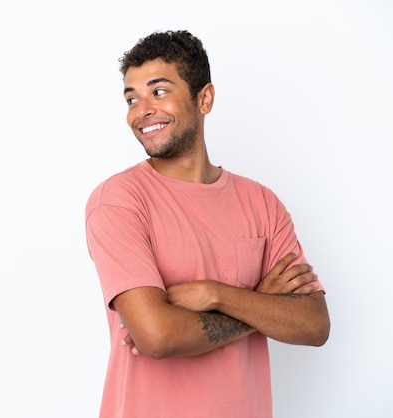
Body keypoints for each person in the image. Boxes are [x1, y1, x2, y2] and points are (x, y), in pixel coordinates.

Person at [84, 30, 330, 418]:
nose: (141, 110)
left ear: (205, 98)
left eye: (158, 91)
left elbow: (314, 324)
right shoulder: (118, 200)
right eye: (132, 98)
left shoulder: (262, 202)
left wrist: (217, 294)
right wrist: (261, 302)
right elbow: (157, 335)